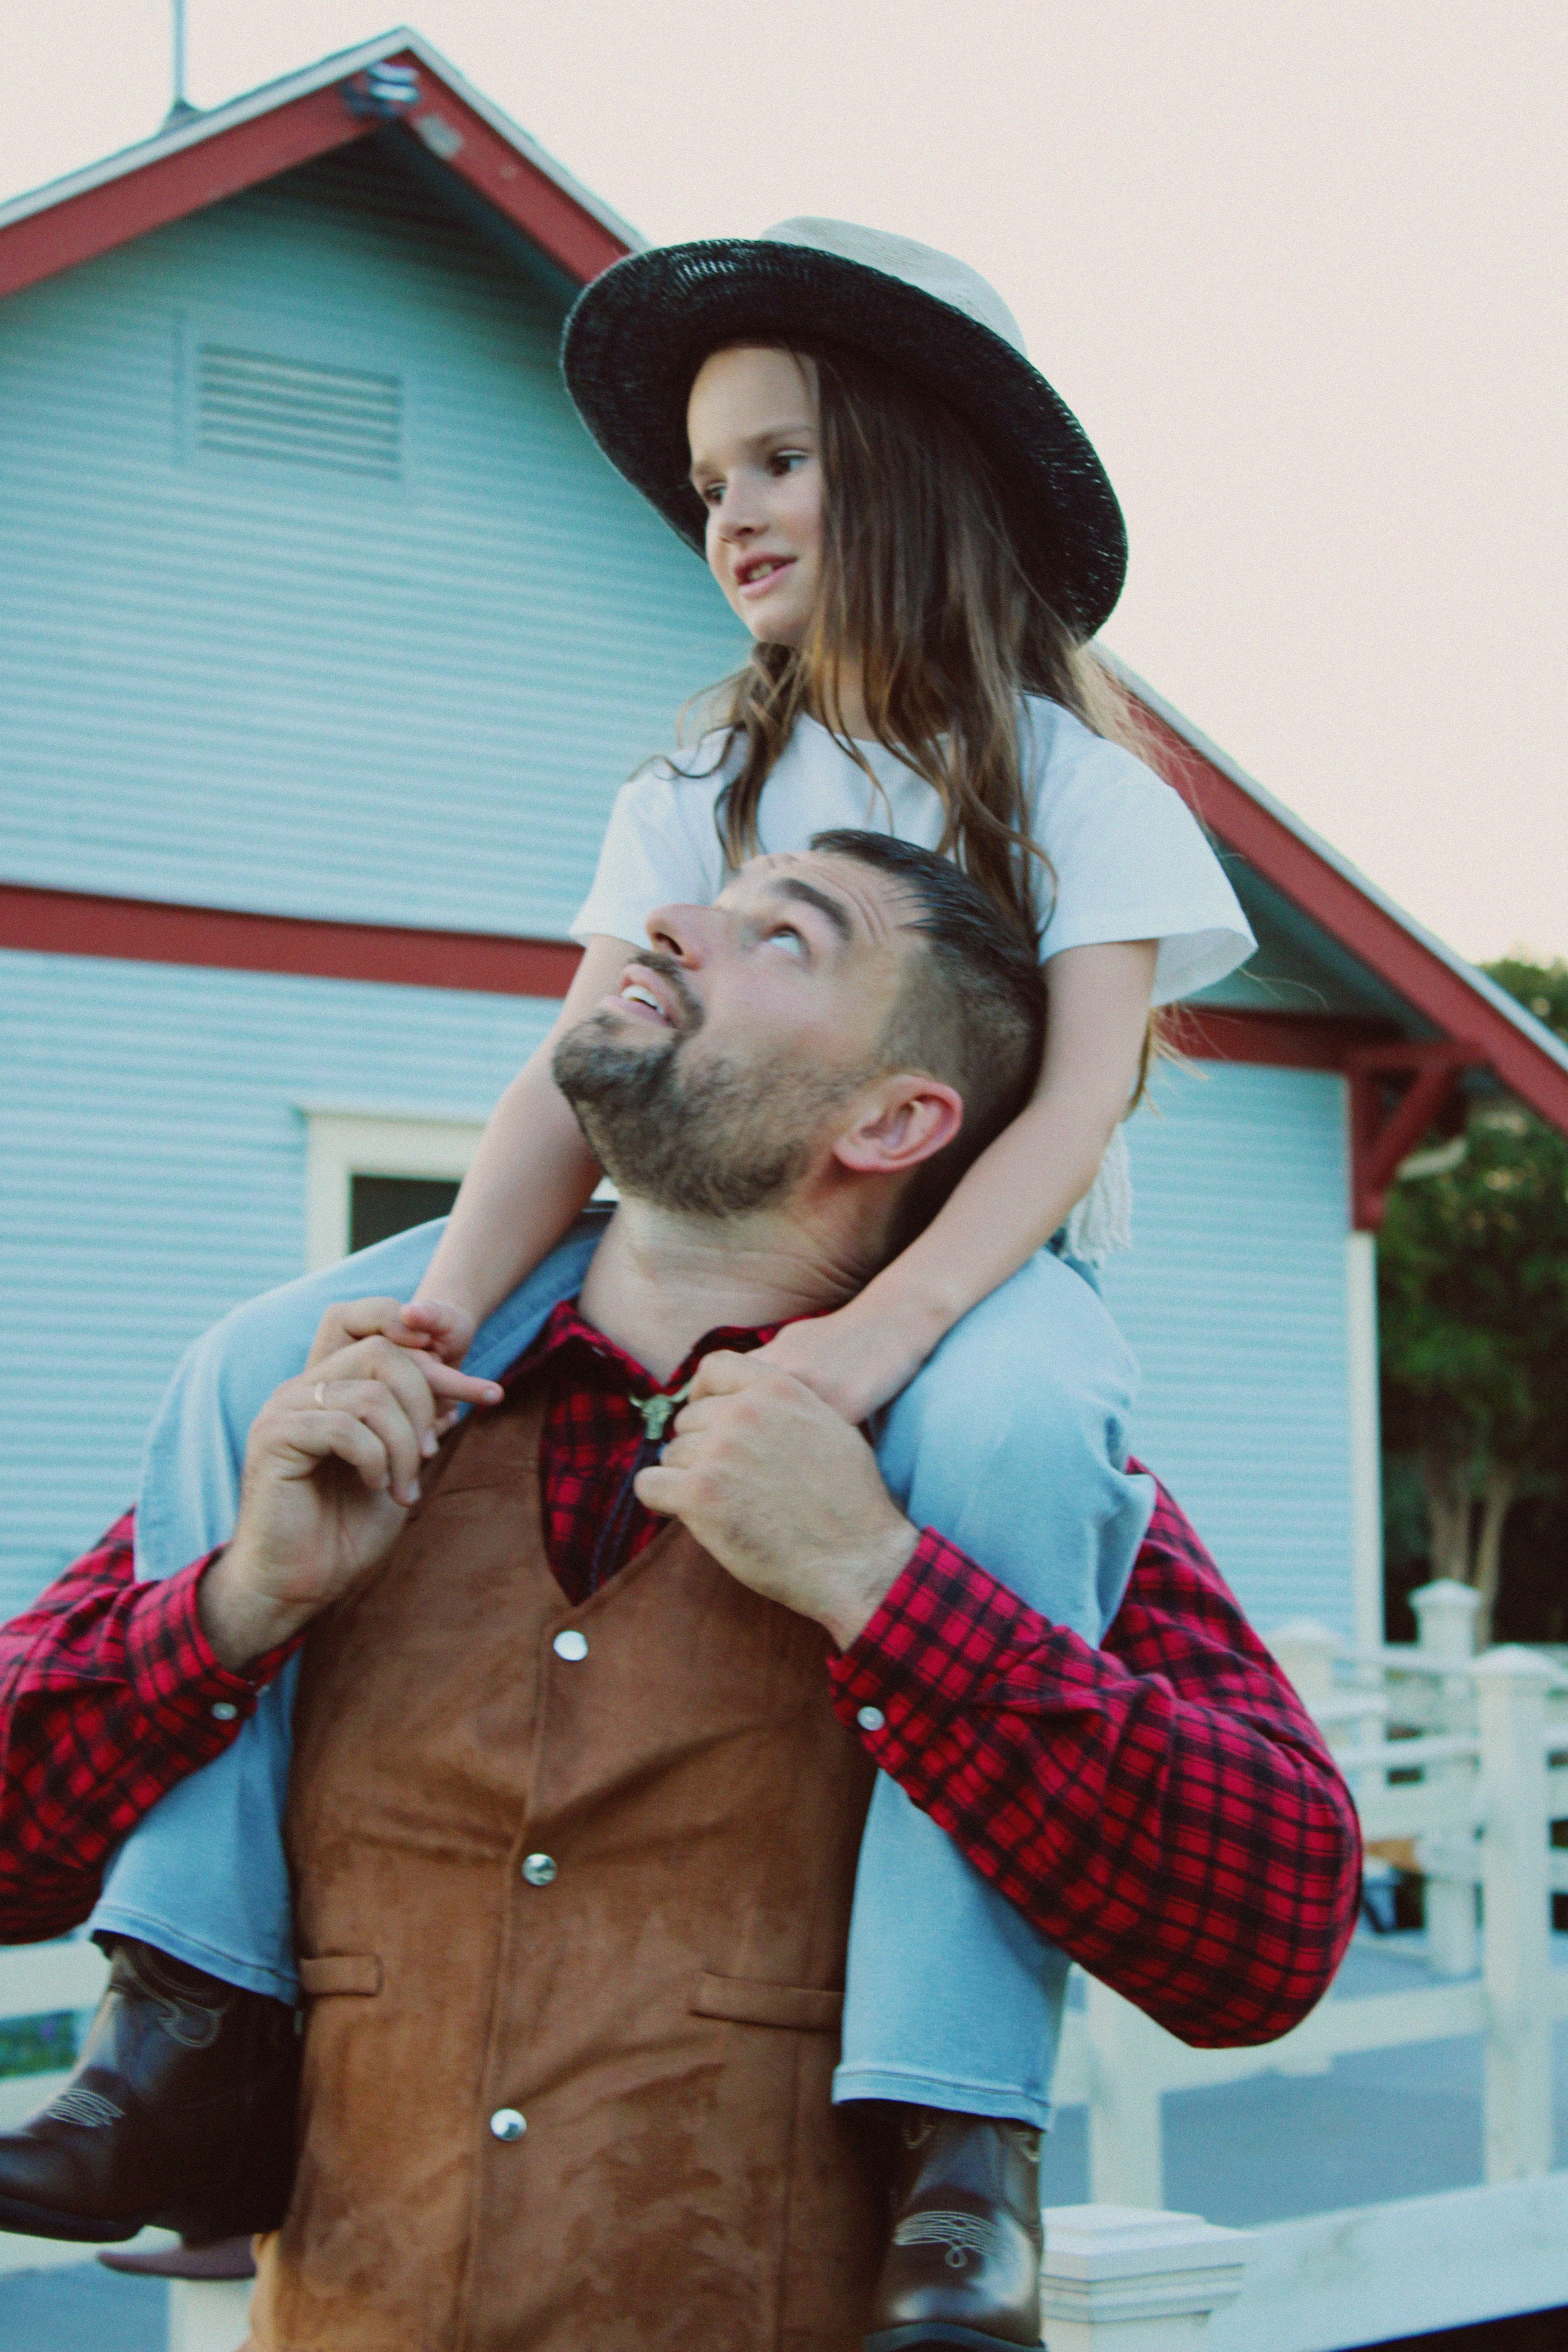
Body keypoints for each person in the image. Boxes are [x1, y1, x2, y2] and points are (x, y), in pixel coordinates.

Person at [0, 837, 1358, 2350]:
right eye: (713, 902)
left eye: (785, 937)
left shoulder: (1004, 1477)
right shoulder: (340, 1423)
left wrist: (876, 1583)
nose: (669, 923)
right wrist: (238, 1605)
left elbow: (1268, 1939)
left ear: (892, 1120)